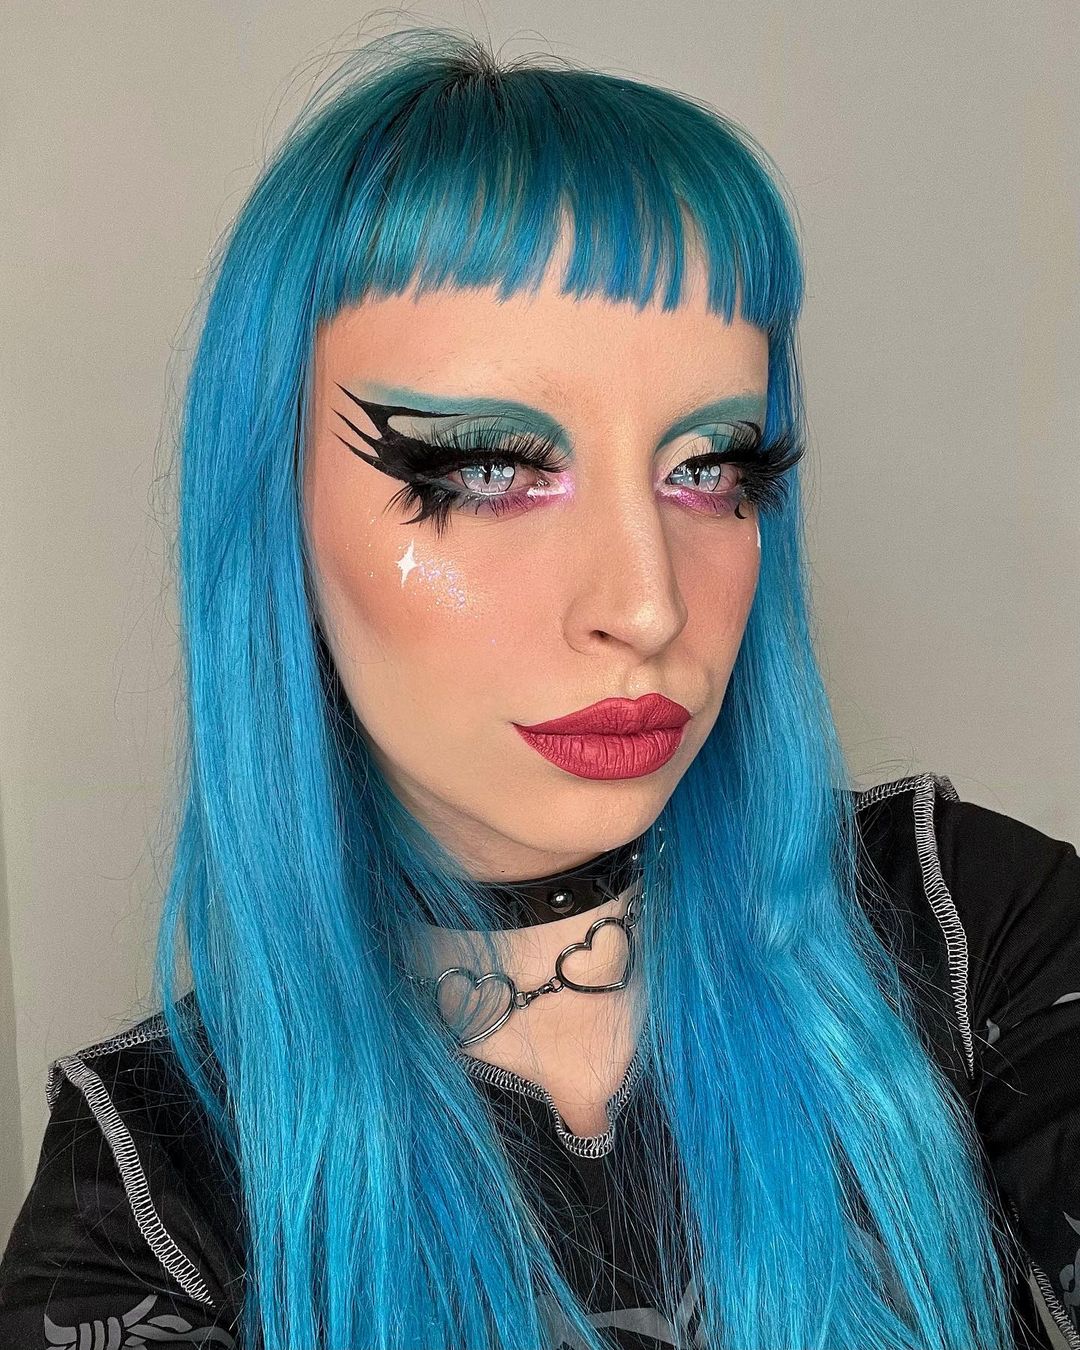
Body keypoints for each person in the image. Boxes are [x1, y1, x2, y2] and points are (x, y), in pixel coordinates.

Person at [1, 29, 1078, 1350]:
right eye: (490, 467)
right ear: (276, 519)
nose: (647, 602)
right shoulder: (156, 1187)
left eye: (711, 467)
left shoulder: (968, 932)